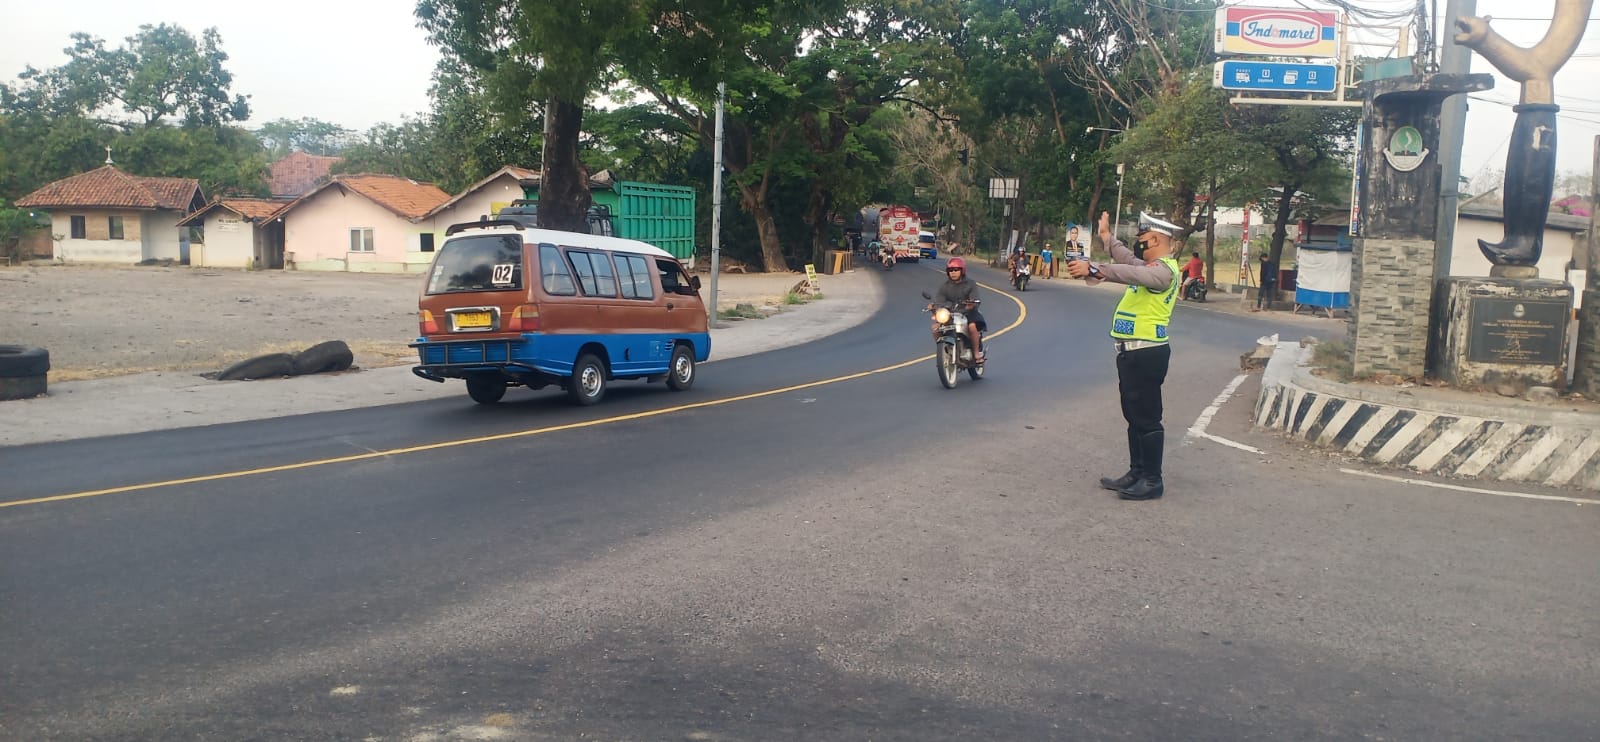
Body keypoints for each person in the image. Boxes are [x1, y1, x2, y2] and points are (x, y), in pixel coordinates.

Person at [1064, 210, 1181, 501]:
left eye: (1142, 238)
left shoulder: (1164, 271)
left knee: (1147, 418)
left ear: (1155, 240)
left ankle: (1152, 480)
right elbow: (1127, 260)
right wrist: (1107, 237)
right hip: (1132, 353)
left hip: (1147, 352)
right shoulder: (1150, 266)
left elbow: (1130, 272)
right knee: (1133, 415)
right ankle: (1137, 472)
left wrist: (1094, 268)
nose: (1138, 243)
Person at [929, 257, 985, 364]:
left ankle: (976, 353)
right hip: (951, 313)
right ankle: (944, 351)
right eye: (950, 270)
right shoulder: (945, 286)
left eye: (956, 270)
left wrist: (971, 303)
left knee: (972, 327)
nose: (953, 272)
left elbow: (975, 298)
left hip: (968, 312)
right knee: (935, 328)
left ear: (962, 270)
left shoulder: (970, 284)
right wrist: (934, 307)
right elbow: (939, 300)